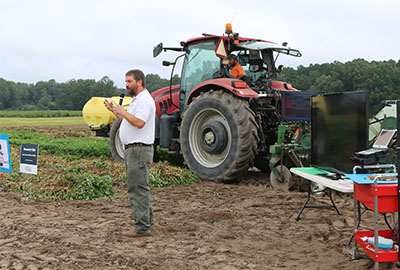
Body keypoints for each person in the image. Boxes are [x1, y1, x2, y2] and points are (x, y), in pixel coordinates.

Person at [104, 69, 155, 238]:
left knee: (137, 188)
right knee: (140, 186)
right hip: (134, 150)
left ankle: (141, 227)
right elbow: (130, 120)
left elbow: (139, 123)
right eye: (125, 82)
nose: (126, 85)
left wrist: (124, 112)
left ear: (139, 82)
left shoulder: (144, 101)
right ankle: (147, 219)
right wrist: (116, 112)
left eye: (129, 82)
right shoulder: (137, 100)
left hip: (138, 150)